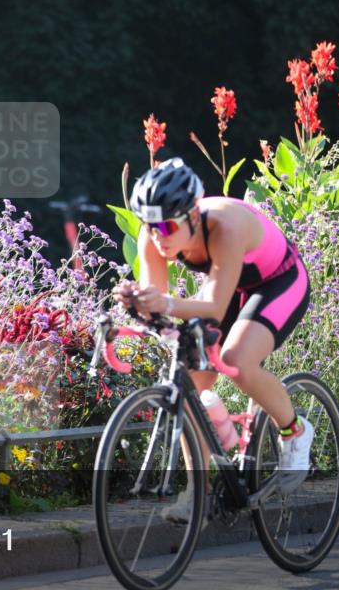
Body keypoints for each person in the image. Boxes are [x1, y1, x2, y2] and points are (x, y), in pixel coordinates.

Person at [111, 157, 313, 523]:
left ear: (192, 215)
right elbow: (157, 302)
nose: (158, 236)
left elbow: (215, 307)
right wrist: (136, 303)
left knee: (237, 359)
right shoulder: (154, 234)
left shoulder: (224, 224)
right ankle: (198, 493)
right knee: (190, 384)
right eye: (150, 226)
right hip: (231, 286)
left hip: (279, 282)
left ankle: (295, 431)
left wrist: (165, 303)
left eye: (168, 226)